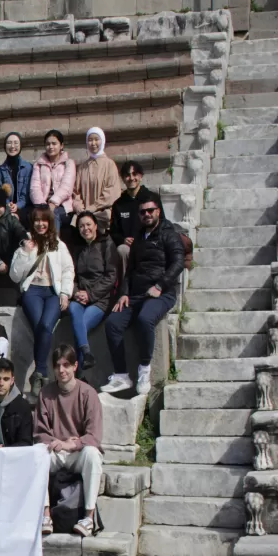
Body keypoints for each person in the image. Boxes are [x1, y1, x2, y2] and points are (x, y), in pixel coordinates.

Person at [101, 193, 184, 396]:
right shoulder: (139, 236)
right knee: (112, 323)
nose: (146, 215)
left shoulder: (168, 233)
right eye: (142, 212)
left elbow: (178, 263)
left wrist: (160, 285)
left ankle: (144, 369)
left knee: (145, 319)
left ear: (158, 212)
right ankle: (121, 375)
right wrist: (124, 293)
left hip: (161, 293)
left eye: (150, 211)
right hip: (136, 294)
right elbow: (130, 270)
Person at [35, 346, 104, 536]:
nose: (61, 370)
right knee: (37, 454)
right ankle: (45, 514)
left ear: (75, 366)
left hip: (77, 452)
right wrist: (57, 442)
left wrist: (72, 444)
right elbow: (40, 432)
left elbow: (94, 435)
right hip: (56, 450)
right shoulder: (45, 393)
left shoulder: (88, 393)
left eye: (66, 365)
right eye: (57, 366)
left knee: (92, 454)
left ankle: (89, 517)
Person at [11, 205, 75, 394]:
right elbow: (15, 276)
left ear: (50, 222)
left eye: (44, 220)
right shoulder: (26, 244)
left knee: (46, 326)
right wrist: (25, 252)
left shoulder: (58, 244)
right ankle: (42, 374)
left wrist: (65, 293)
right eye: (37, 220)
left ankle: (39, 372)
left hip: (52, 292)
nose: (40, 224)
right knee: (40, 324)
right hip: (33, 291)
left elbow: (67, 269)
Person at [68, 211, 118, 372]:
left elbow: (111, 276)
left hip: (101, 299)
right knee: (73, 309)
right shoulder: (77, 249)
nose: (85, 228)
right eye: (81, 226)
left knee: (80, 325)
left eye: (88, 224)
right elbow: (71, 275)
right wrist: (76, 292)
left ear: (96, 226)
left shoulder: (106, 244)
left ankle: (79, 373)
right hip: (79, 297)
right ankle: (86, 354)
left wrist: (90, 295)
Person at [109, 160, 156, 284]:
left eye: (135, 174)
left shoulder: (152, 198)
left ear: (140, 176)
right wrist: (123, 240)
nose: (131, 178)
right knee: (122, 250)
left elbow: (161, 223)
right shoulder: (119, 204)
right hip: (129, 248)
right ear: (123, 179)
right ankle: (125, 291)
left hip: (150, 243)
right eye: (127, 175)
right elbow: (114, 232)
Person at [72, 127, 121, 235]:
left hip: (103, 214)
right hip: (84, 214)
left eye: (96, 139)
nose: (93, 143)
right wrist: (79, 207)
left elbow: (112, 192)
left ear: (102, 140)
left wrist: (93, 207)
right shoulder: (82, 167)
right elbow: (76, 192)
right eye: (90, 140)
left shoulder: (109, 164)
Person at [30, 129, 76, 233]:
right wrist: (42, 206)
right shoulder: (38, 164)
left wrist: (53, 203)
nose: (50, 147)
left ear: (61, 145)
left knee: (53, 214)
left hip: (63, 206)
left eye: (54, 143)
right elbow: (34, 188)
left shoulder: (69, 163)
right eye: (47, 144)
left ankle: (54, 246)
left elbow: (66, 187)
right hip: (42, 205)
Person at [0, 131, 33, 224]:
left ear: (20, 146)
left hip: (25, 207)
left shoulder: (28, 167)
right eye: (9, 143)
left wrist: (17, 205)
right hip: (6, 207)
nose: (12, 146)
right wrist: (8, 204)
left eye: (16, 143)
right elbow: (0, 192)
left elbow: (26, 194)